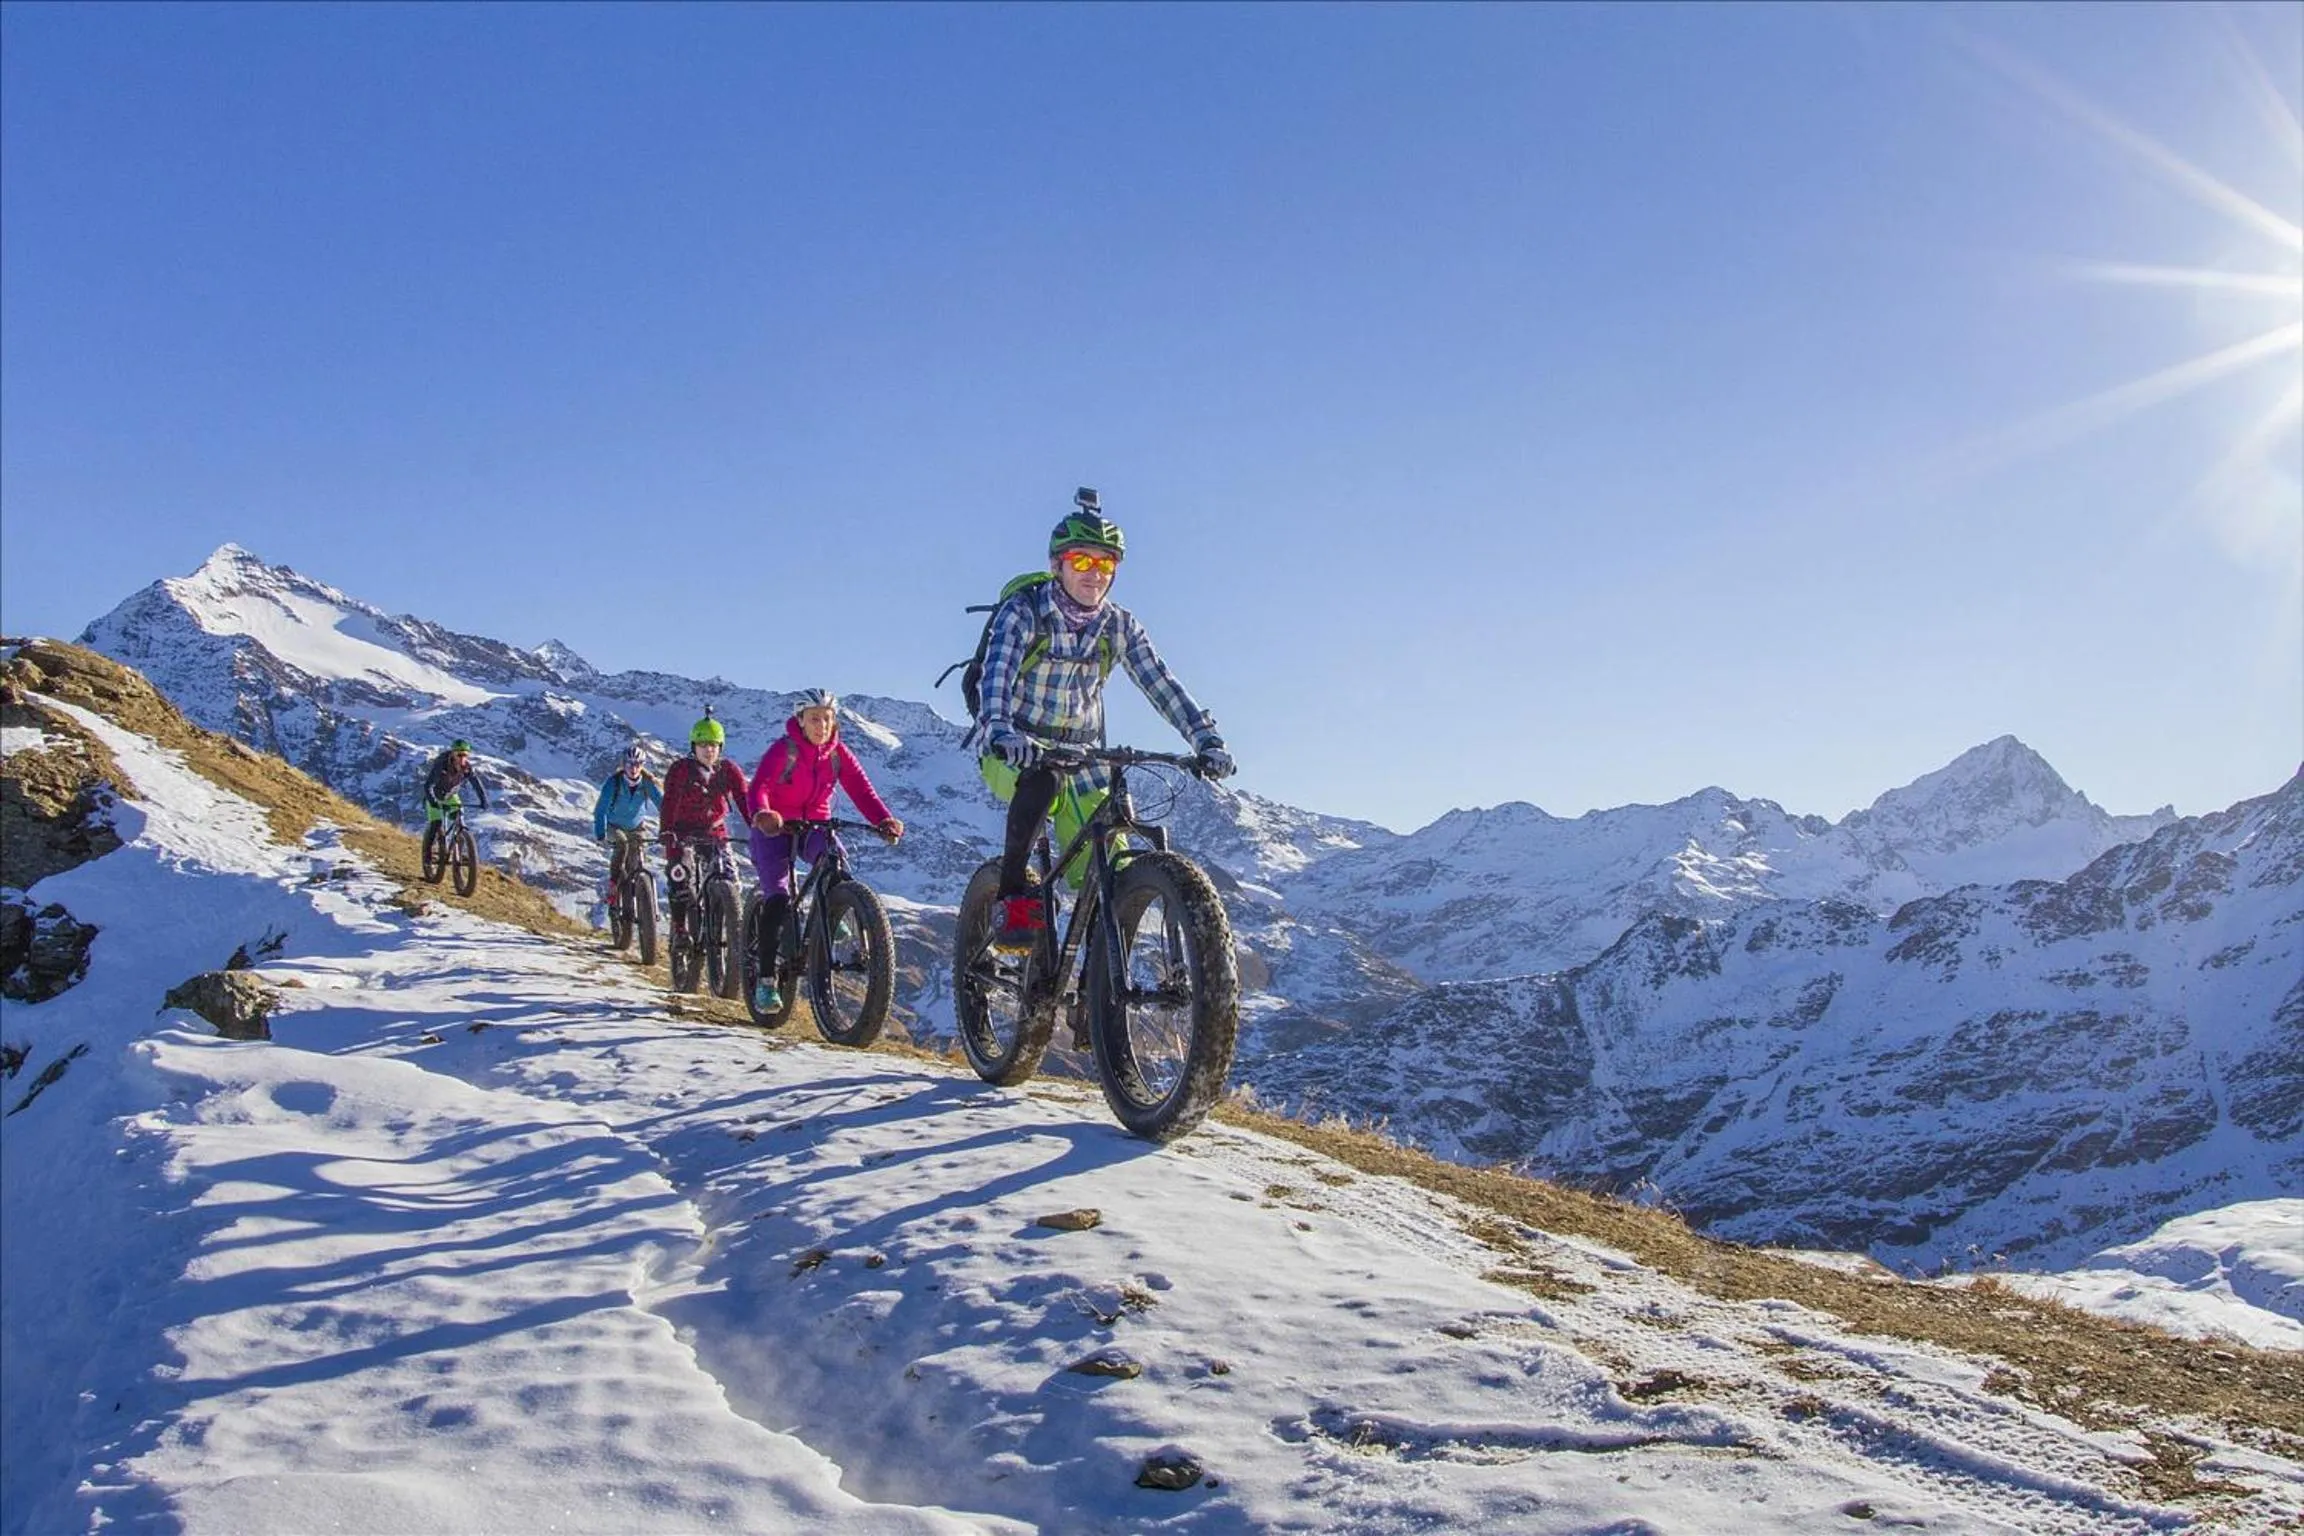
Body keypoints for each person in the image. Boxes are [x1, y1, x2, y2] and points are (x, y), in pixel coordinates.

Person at [969, 494, 1233, 952]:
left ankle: (1099, 983)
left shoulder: (1119, 625)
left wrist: (1205, 737)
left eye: (1106, 564)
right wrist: (1000, 728)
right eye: (1082, 559)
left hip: (1086, 753)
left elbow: (1161, 683)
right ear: (1058, 564)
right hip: (1015, 745)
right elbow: (997, 676)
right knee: (1042, 782)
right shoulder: (1024, 612)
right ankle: (1012, 892)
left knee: (1103, 865)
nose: (1095, 572)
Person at [743, 689, 904, 1013]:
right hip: (774, 827)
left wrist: (883, 819)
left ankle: (831, 910)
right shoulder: (783, 751)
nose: (822, 725)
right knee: (777, 897)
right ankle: (766, 982)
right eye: (814, 719)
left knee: (835, 859)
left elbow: (862, 790)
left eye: (827, 719)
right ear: (801, 720)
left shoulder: (837, 753)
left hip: (814, 824)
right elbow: (758, 787)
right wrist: (763, 815)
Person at [659, 712, 749, 934]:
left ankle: (730, 934)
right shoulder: (680, 770)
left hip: (714, 831)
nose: (708, 750)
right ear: (693, 746)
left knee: (730, 879)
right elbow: (670, 801)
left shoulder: (729, 770)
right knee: (679, 875)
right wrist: (667, 831)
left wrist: (757, 825)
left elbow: (745, 800)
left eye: (713, 745)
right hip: (681, 832)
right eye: (702, 745)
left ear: (721, 747)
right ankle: (680, 929)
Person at [592, 742, 663, 903]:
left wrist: (670, 826)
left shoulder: (646, 783)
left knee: (637, 859)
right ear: (623, 764)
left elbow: (661, 804)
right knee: (622, 844)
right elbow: (600, 810)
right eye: (630, 763)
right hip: (614, 826)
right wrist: (600, 834)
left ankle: (637, 892)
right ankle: (613, 884)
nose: (634, 768)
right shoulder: (614, 783)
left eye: (638, 764)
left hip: (636, 827)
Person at [421, 738, 490, 827]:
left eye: (465, 755)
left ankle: (459, 837)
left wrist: (484, 800)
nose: (462, 758)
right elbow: (428, 785)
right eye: (459, 755)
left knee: (459, 818)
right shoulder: (442, 765)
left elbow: (476, 784)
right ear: (453, 754)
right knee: (436, 824)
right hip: (434, 796)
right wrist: (433, 801)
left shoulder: (467, 768)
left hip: (451, 795)